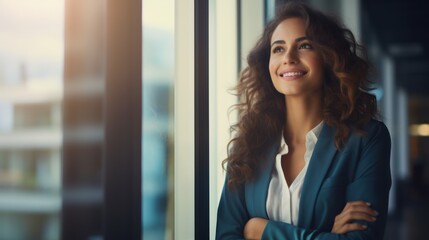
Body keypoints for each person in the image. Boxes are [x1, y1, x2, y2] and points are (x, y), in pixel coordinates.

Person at [216, 2, 391, 239]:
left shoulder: (367, 138)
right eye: (278, 49)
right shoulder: (248, 144)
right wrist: (324, 234)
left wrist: (263, 230)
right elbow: (227, 235)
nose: (288, 57)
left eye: (304, 45)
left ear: (329, 58)